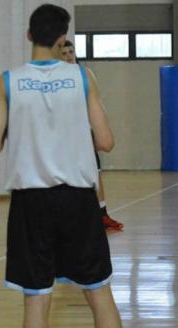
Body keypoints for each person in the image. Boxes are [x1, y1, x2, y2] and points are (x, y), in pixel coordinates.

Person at [0, 5, 124, 328]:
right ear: (63, 39)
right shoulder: (82, 77)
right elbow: (106, 141)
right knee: (99, 295)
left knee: (36, 299)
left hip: (32, 203)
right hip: (78, 200)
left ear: (29, 36)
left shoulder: (7, 81)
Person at [60, 40, 125, 231]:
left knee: (95, 173)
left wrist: (99, 129)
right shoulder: (53, 80)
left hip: (83, 132)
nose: (69, 56)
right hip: (62, 136)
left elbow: (96, 104)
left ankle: (102, 214)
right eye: (64, 53)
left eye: (71, 52)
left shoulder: (84, 75)